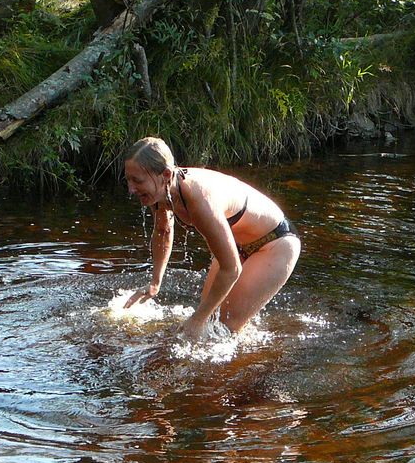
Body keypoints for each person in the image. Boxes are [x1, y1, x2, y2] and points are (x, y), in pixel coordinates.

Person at [123, 136, 300, 340]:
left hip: (275, 243)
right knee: (209, 321)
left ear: (166, 174)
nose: (131, 189)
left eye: (137, 181)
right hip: (238, 244)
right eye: (128, 179)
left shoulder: (198, 197)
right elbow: (163, 231)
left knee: (225, 328)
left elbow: (231, 269)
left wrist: (197, 320)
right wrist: (155, 282)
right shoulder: (161, 192)